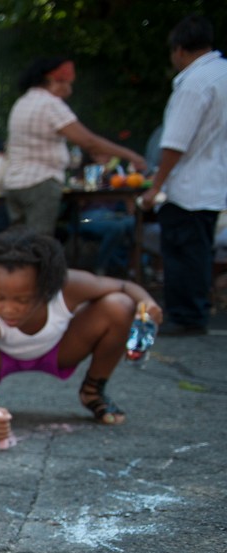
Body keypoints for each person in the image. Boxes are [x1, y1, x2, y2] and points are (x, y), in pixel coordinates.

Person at [0, 229, 163, 441]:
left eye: (22, 300)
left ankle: (93, 391)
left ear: (48, 287)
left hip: (62, 350)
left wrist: (147, 302)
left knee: (121, 305)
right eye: (0, 297)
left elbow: (123, 286)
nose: (8, 308)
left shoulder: (68, 285)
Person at [140, 15, 227, 337]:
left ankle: (185, 315)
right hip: (214, 180)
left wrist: (156, 185)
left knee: (181, 252)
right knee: (198, 251)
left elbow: (176, 141)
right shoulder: (222, 74)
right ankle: (194, 311)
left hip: (187, 185)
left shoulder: (194, 83)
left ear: (179, 50)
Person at [2, 56, 146, 237]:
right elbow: (89, 142)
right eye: (67, 84)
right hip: (40, 184)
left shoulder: (22, 103)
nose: (69, 91)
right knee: (39, 244)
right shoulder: (50, 104)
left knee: (18, 242)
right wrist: (131, 155)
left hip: (14, 185)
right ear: (53, 80)